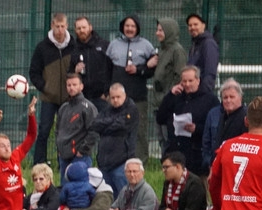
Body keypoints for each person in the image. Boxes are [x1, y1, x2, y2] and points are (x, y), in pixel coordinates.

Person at [107, 14, 158, 161]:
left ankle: (140, 161)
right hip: (116, 98)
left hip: (138, 97)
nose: (129, 29)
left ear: (138, 28)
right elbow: (106, 69)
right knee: (115, 129)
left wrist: (139, 69)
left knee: (139, 129)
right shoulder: (113, 45)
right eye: (127, 26)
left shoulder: (146, 46)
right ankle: (116, 159)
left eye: (133, 26)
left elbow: (151, 70)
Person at [156, 65, 219, 176]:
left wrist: (197, 128)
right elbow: (160, 118)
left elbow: (214, 126)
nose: (187, 84)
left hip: (197, 153)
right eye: (184, 81)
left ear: (198, 80)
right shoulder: (176, 97)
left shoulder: (209, 100)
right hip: (177, 151)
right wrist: (170, 95)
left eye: (190, 81)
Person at [29, 13, 74, 165]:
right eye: (57, 26)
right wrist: (45, 87)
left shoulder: (74, 46)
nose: (60, 30)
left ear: (67, 26)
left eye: (62, 26)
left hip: (69, 97)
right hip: (49, 97)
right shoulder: (42, 47)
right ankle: (39, 162)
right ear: (52, 26)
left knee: (67, 131)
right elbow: (33, 72)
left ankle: (66, 160)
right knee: (44, 130)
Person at [91, 82, 139, 201]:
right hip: (104, 162)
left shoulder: (131, 109)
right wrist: (112, 123)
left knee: (124, 198)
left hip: (121, 162)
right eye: (112, 98)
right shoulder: (107, 109)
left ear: (124, 96)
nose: (115, 100)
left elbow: (122, 125)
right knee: (108, 199)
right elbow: (95, 124)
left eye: (118, 97)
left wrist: (106, 126)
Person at [55, 72, 98, 181]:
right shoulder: (63, 107)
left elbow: (94, 131)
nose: (71, 88)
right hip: (63, 157)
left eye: (74, 85)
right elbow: (58, 130)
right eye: (69, 85)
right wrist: (59, 149)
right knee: (65, 190)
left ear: (81, 86)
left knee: (79, 191)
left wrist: (82, 151)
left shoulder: (88, 107)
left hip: (80, 157)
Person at [152, 18, 188, 147]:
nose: (157, 33)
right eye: (157, 30)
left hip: (170, 103)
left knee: (169, 140)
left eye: (161, 30)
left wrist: (169, 95)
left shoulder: (177, 51)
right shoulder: (162, 50)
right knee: (161, 140)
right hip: (158, 102)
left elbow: (180, 75)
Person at [202, 79, 247, 173]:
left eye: (232, 97)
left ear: (240, 98)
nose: (228, 100)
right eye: (225, 98)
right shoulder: (223, 116)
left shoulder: (245, 117)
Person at [68, 15, 112, 111]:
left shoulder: (104, 45)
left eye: (84, 27)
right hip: (81, 98)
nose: (82, 30)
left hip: (101, 98)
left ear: (90, 27)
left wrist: (107, 93)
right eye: (79, 28)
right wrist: (75, 71)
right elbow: (68, 74)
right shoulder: (73, 49)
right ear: (75, 30)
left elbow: (112, 69)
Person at [186, 13, 219, 93]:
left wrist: (203, 93)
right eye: (190, 25)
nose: (192, 27)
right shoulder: (194, 45)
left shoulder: (209, 44)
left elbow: (210, 72)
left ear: (203, 26)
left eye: (195, 24)